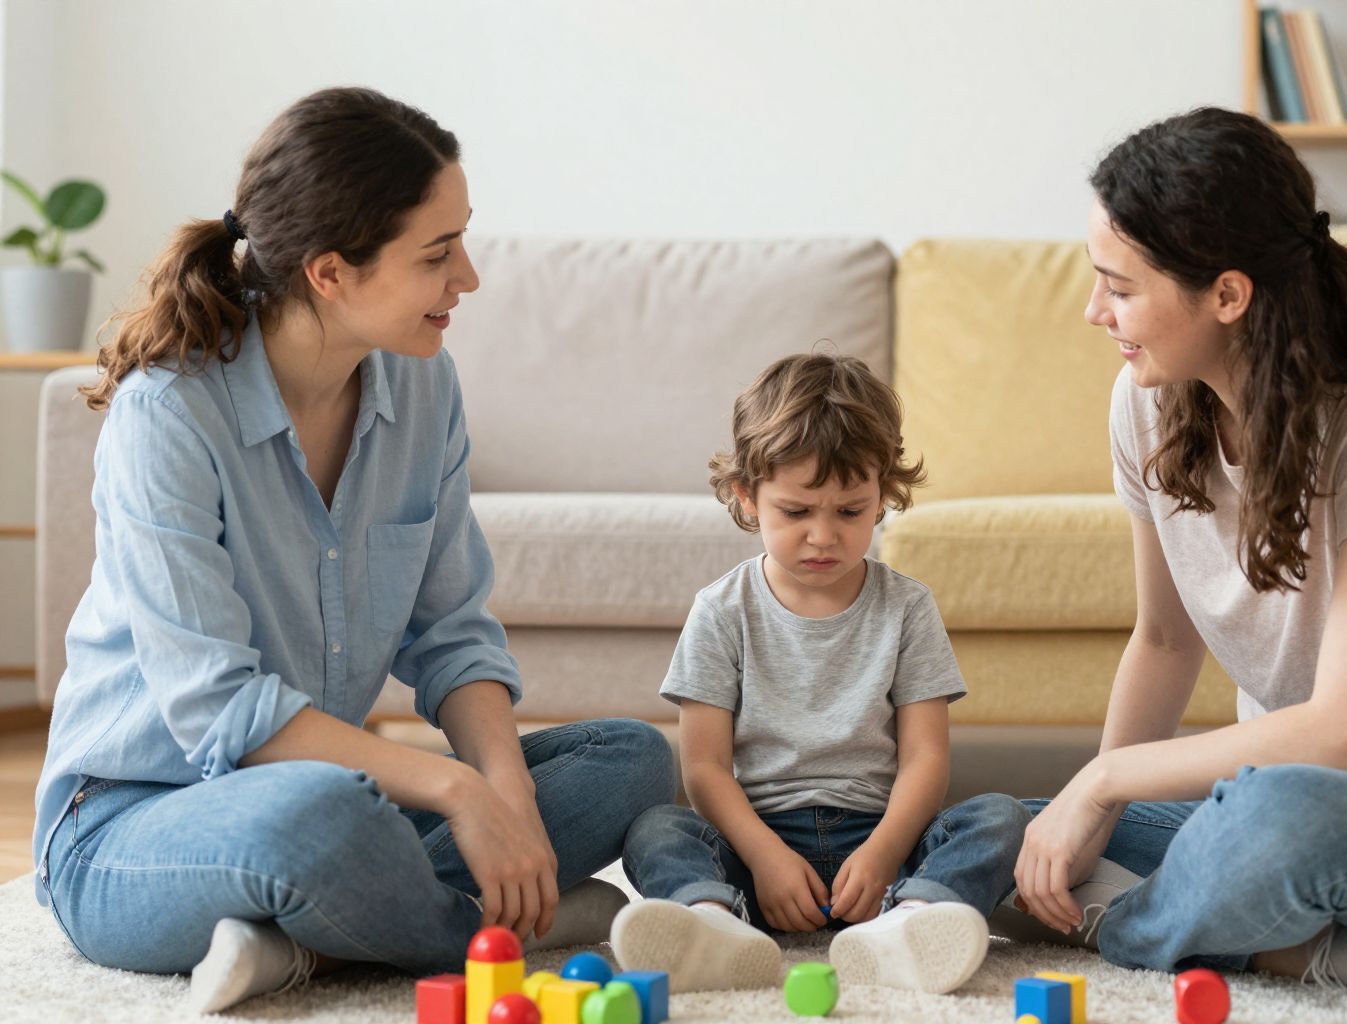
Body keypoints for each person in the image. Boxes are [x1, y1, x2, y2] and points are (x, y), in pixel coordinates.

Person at [32, 87, 675, 1014]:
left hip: (336, 802)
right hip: (129, 827)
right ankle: (493, 928)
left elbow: (452, 632)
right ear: (331, 273)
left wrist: (504, 792)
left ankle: (311, 942)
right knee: (318, 818)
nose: (468, 277)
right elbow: (220, 709)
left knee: (631, 758)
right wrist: (457, 791)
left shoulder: (423, 389)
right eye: (438, 254)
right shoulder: (168, 415)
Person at [991, 107, 1347, 1009]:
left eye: (1119, 287)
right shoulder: (1145, 402)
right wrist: (1091, 816)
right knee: (989, 833)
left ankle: (1131, 927)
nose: (1095, 311)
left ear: (1228, 295)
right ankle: (1323, 954)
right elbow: (1165, 641)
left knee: (1270, 822)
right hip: (1272, 802)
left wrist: (1105, 780)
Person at [611, 353, 1028, 995]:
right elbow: (704, 768)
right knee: (655, 831)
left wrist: (885, 853)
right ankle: (714, 921)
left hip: (883, 839)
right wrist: (765, 858)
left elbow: (925, 759)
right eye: (797, 512)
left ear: (883, 496)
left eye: (850, 512)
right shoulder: (721, 610)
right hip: (758, 843)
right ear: (747, 496)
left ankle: (912, 920)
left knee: (1002, 818)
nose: (823, 537)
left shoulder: (907, 607)